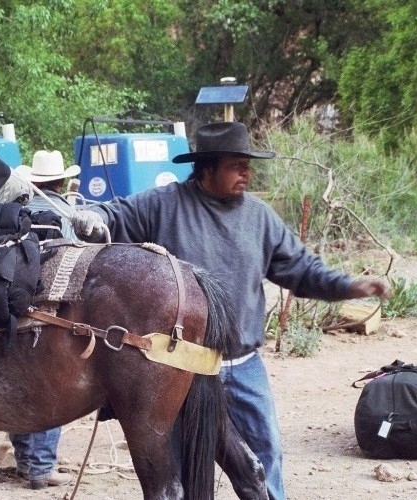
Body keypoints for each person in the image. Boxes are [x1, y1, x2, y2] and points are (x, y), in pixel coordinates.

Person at [70, 121, 391, 500]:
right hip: (182, 368)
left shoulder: (259, 217)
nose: (247, 173)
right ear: (207, 168)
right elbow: (114, 214)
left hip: (243, 365)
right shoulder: (163, 205)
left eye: (248, 165)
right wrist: (96, 218)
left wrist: (351, 286)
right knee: (187, 467)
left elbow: (302, 270)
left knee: (263, 458)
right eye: (237, 165)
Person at [7, 149, 80, 489]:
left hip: (12, 305)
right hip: (50, 310)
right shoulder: (64, 212)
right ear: (62, 181)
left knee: (18, 385)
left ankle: (24, 461)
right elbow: (75, 255)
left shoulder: (16, 211)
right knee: (52, 387)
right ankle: (41, 467)